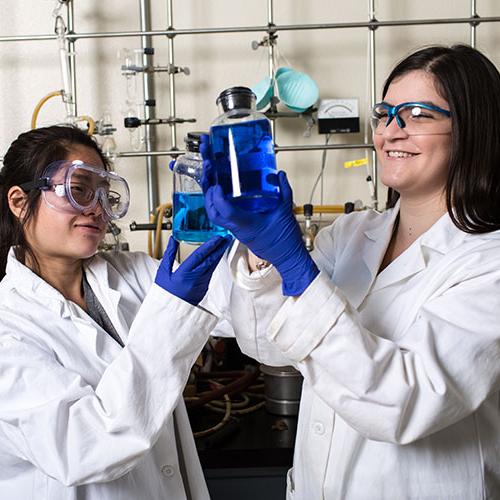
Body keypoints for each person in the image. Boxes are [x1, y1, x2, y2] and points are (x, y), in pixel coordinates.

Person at [201, 44, 500, 499]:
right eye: (385, 113)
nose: (391, 132)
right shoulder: (352, 233)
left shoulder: (487, 261)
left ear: (473, 129)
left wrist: (299, 271)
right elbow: (267, 345)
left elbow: (404, 403)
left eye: (418, 114)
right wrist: (264, 253)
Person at [0, 125, 232, 500]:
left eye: (104, 195)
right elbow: (82, 446)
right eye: (78, 191)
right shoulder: (7, 327)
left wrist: (254, 239)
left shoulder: (133, 272)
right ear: (19, 201)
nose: (96, 208)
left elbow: (233, 310)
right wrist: (173, 314)